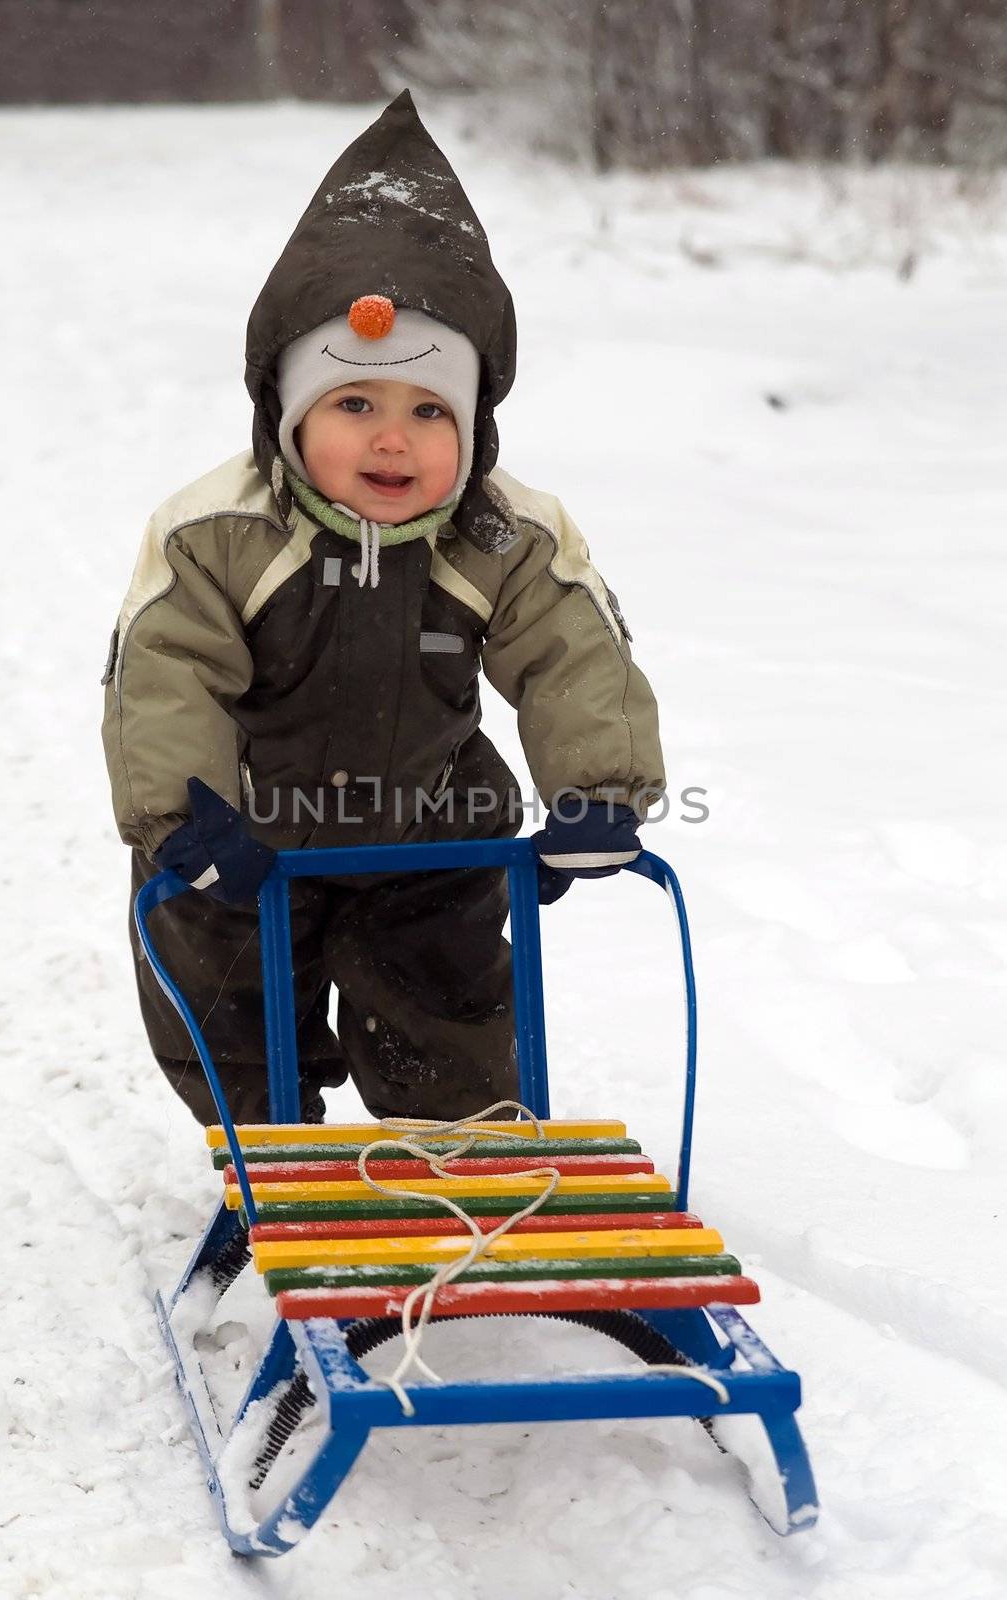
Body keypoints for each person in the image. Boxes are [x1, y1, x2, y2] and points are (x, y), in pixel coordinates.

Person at [101, 90, 665, 1127]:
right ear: (287, 411)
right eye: (352, 404)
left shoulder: (502, 535)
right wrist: (187, 818)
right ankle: (263, 1155)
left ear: (473, 426)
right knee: (228, 1007)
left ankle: (457, 1151)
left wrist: (597, 791)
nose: (391, 441)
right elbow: (165, 671)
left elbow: (570, 653)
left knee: (443, 1008)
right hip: (247, 836)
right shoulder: (218, 535)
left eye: (427, 412)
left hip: (427, 832)